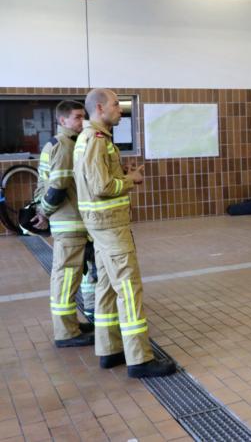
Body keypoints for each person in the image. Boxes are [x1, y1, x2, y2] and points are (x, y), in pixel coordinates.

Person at [73, 88, 175, 377]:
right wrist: (132, 180)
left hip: (101, 225)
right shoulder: (96, 140)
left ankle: (110, 350)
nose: (121, 110)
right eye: (116, 104)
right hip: (109, 226)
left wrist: (123, 175)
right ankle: (140, 359)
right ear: (100, 108)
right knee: (129, 289)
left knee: (106, 288)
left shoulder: (91, 138)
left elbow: (98, 180)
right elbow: (101, 186)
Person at [32, 100, 94, 348]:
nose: (82, 122)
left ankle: (71, 325)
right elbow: (57, 187)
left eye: (83, 117)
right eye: (77, 117)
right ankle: (66, 333)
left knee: (70, 276)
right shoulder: (66, 146)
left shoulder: (61, 143)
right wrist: (44, 212)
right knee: (66, 278)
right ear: (62, 120)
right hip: (69, 222)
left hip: (70, 221)